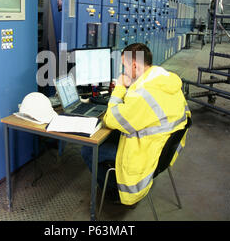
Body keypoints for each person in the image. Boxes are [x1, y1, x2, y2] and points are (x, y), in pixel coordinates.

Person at [81, 43, 191, 205]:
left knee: (89, 149)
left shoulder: (143, 94)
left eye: (124, 66)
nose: (123, 71)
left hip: (145, 153)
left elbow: (110, 119)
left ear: (134, 65)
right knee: (111, 137)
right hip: (162, 146)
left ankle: (114, 191)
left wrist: (119, 88)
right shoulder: (164, 79)